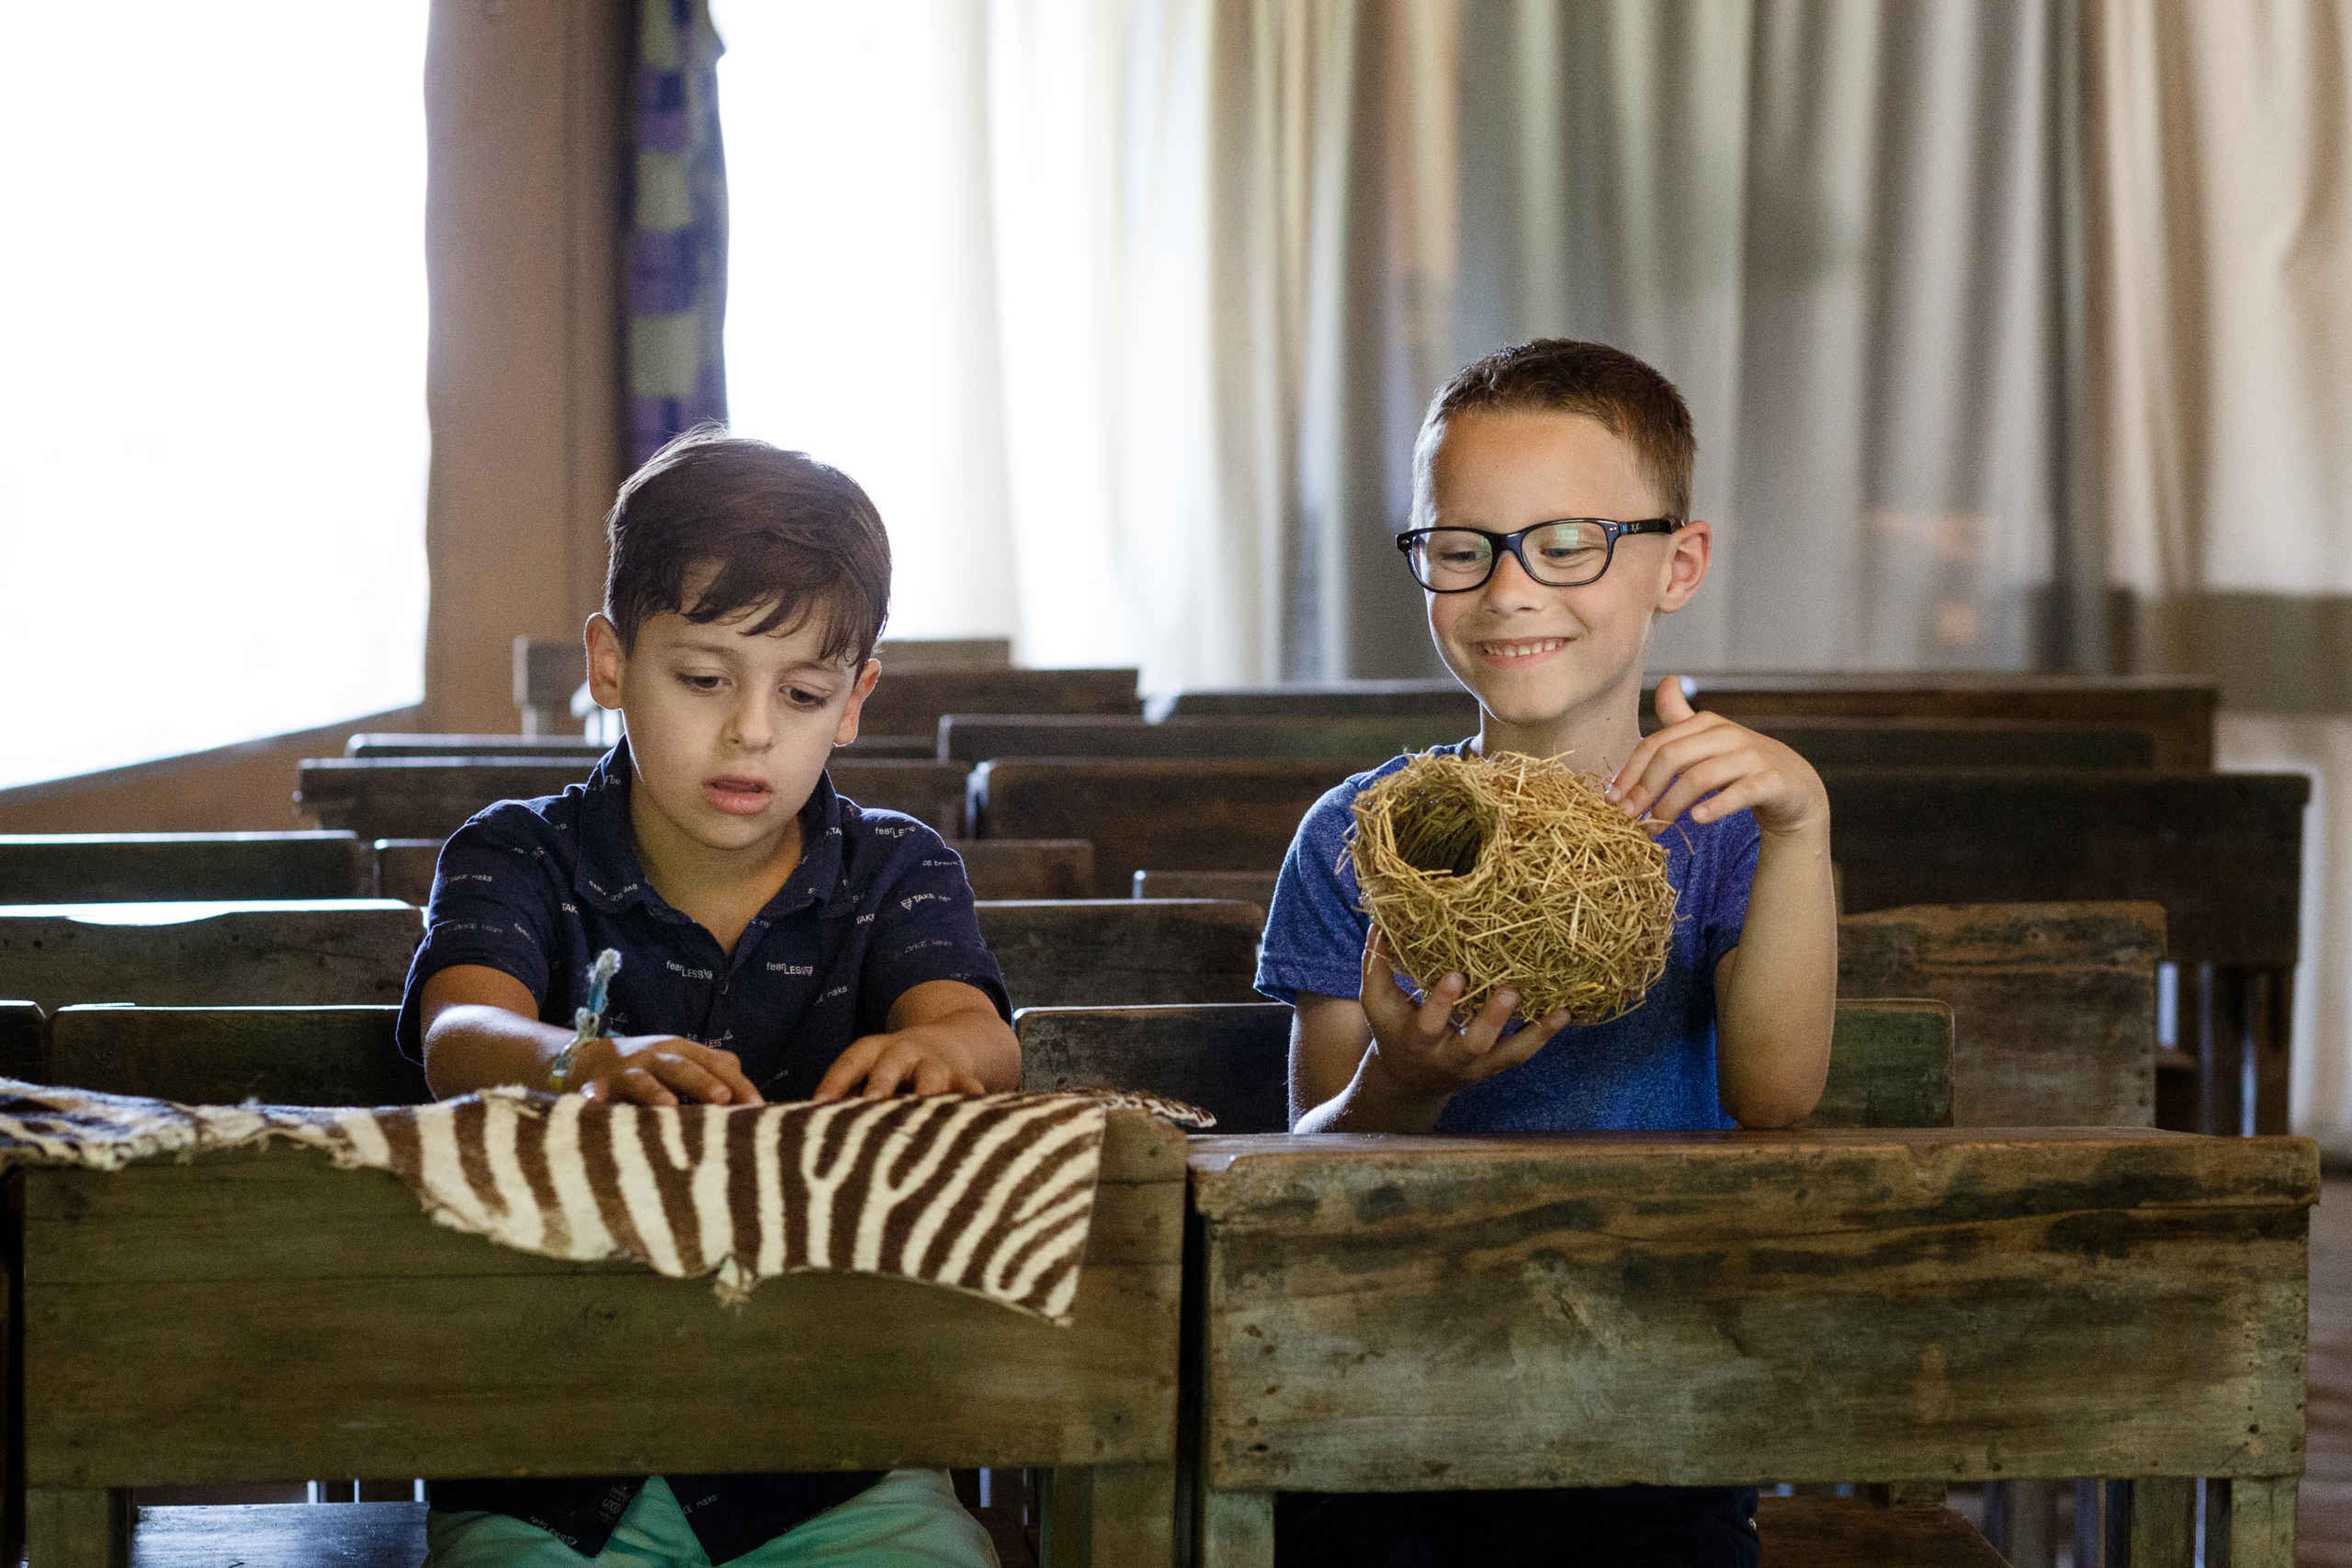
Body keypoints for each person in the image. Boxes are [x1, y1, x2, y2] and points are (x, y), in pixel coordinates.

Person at [1256, 339, 1838, 1567]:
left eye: (1568, 544)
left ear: (1678, 562)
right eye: (1461, 547)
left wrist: (1803, 826)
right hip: (1382, 1404)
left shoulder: (1729, 831)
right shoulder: (1360, 837)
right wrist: (1402, 1085)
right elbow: (1310, 1159)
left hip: (1656, 1408)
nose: (1510, 590)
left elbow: (1776, 1095)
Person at [399, 429, 1017, 1567]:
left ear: (856, 701)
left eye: (804, 692)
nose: (752, 730)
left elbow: (975, 1032)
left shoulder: (896, 870)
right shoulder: (516, 855)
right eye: (703, 680)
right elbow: (459, 1032)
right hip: (553, 1467)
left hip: (837, 1460)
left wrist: (943, 1056)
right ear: (609, 663)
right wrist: (581, 1060)